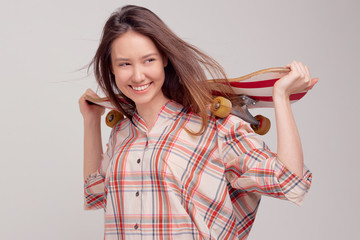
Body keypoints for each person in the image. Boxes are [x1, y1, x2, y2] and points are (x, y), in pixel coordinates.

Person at [79, 5, 318, 240]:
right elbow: (96, 193)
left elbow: (290, 182)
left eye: (148, 60)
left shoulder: (213, 126)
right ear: (111, 67)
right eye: (125, 64)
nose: (138, 75)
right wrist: (91, 122)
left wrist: (281, 98)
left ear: (164, 58)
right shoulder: (121, 133)